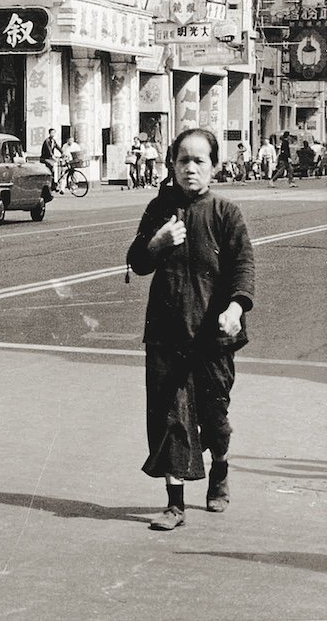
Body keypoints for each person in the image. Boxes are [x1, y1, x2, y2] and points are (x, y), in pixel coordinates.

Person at [126, 128, 254, 531]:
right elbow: (137, 261)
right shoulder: (159, 207)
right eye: (183, 160)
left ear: (214, 166)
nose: (190, 168)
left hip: (214, 333)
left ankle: (219, 468)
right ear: (172, 165)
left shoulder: (225, 212)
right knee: (170, 415)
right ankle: (174, 503)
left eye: (199, 161)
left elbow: (244, 267)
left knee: (214, 415)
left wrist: (236, 307)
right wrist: (156, 243)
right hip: (167, 329)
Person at [40, 128, 63, 193]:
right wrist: (54, 158)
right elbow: (49, 152)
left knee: (54, 170)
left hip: (50, 159)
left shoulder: (54, 141)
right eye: (52, 133)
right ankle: (52, 186)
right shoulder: (47, 141)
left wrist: (63, 153)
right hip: (45, 159)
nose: (53, 134)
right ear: (49, 133)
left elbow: (58, 148)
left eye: (54, 133)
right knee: (52, 170)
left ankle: (54, 185)